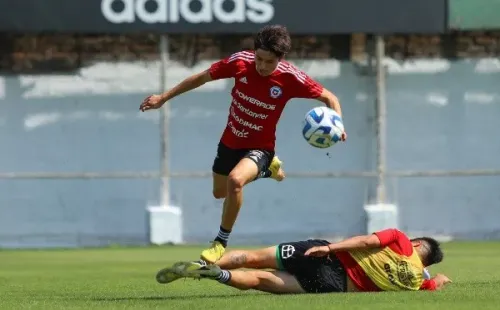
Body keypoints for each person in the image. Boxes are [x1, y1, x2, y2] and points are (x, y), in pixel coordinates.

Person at [139, 24, 346, 264]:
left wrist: (338, 124)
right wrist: (163, 98)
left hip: (261, 148)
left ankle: (219, 242)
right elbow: (201, 77)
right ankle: (269, 170)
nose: (262, 66)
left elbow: (330, 97)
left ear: (280, 58)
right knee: (219, 192)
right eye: (259, 58)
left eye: (269, 62)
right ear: (254, 52)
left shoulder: (291, 78)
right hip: (229, 142)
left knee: (235, 182)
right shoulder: (239, 63)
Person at [156, 228, 452, 293]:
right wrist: (437, 279)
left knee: (255, 258)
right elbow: (433, 284)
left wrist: (331, 248)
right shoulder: (416, 281)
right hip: (333, 284)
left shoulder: (400, 240)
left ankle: (206, 263)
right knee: (260, 280)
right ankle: (214, 276)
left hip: (324, 253)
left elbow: (365, 242)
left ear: (415, 244)